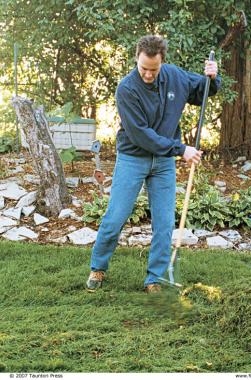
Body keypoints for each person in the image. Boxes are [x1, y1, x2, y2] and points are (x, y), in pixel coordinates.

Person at [86, 35, 221, 293]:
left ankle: (154, 279)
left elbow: (203, 92)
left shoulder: (174, 76)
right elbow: (141, 135)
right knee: (115, 217)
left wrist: (213, 78)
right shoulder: (127, 89)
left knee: (163, 223)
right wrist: (181, 149)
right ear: (136, 59)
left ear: (162, 63)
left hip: (163, 163)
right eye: (143, 68)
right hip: (132, 158)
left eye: (153, 69)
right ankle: (98, 267)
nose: (148, 74)